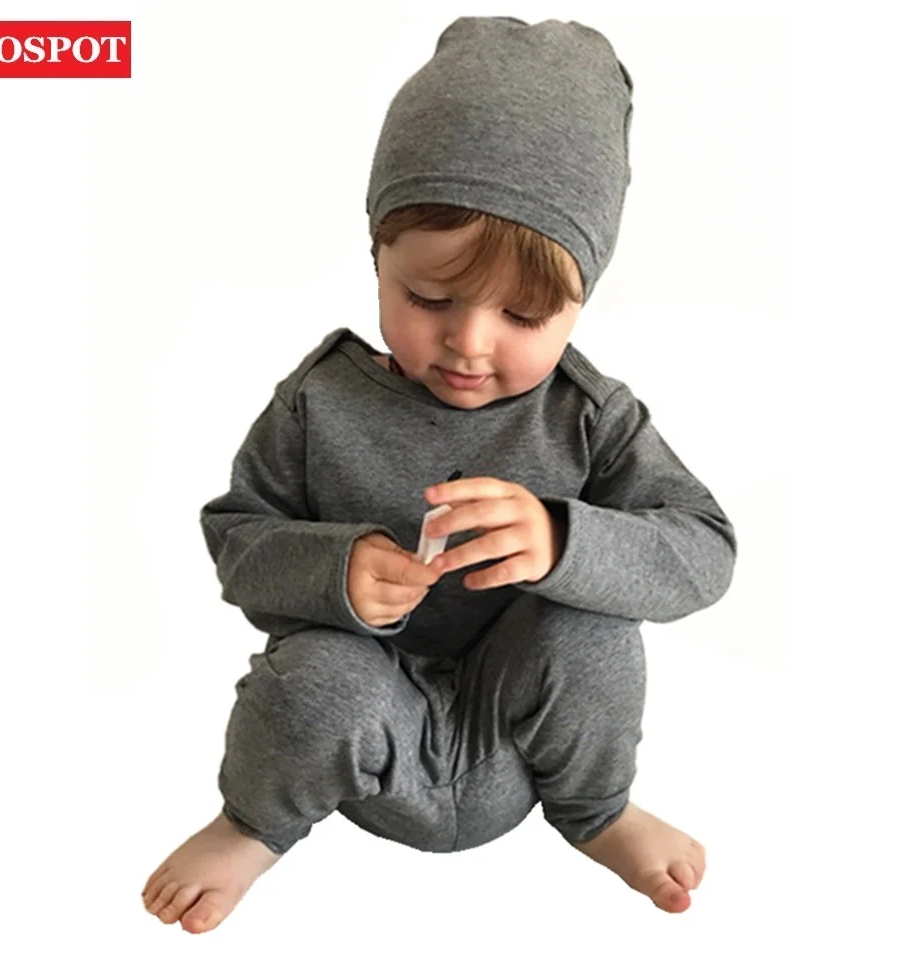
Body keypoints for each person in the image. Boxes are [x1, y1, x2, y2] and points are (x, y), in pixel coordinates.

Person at [141, 16, 737, 934]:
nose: (469, 342)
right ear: (377, 255)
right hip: (360, 740)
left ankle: (600, 815)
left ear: (582, 300)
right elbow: (238, 540)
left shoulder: (590, 416)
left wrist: (565, 542)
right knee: (315, 675)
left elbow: (705, 552)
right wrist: (334, 569)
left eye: (525, 315)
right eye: (428, 297)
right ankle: (250, 828)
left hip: (525, 745)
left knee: (589, 630)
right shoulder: (318, 403)